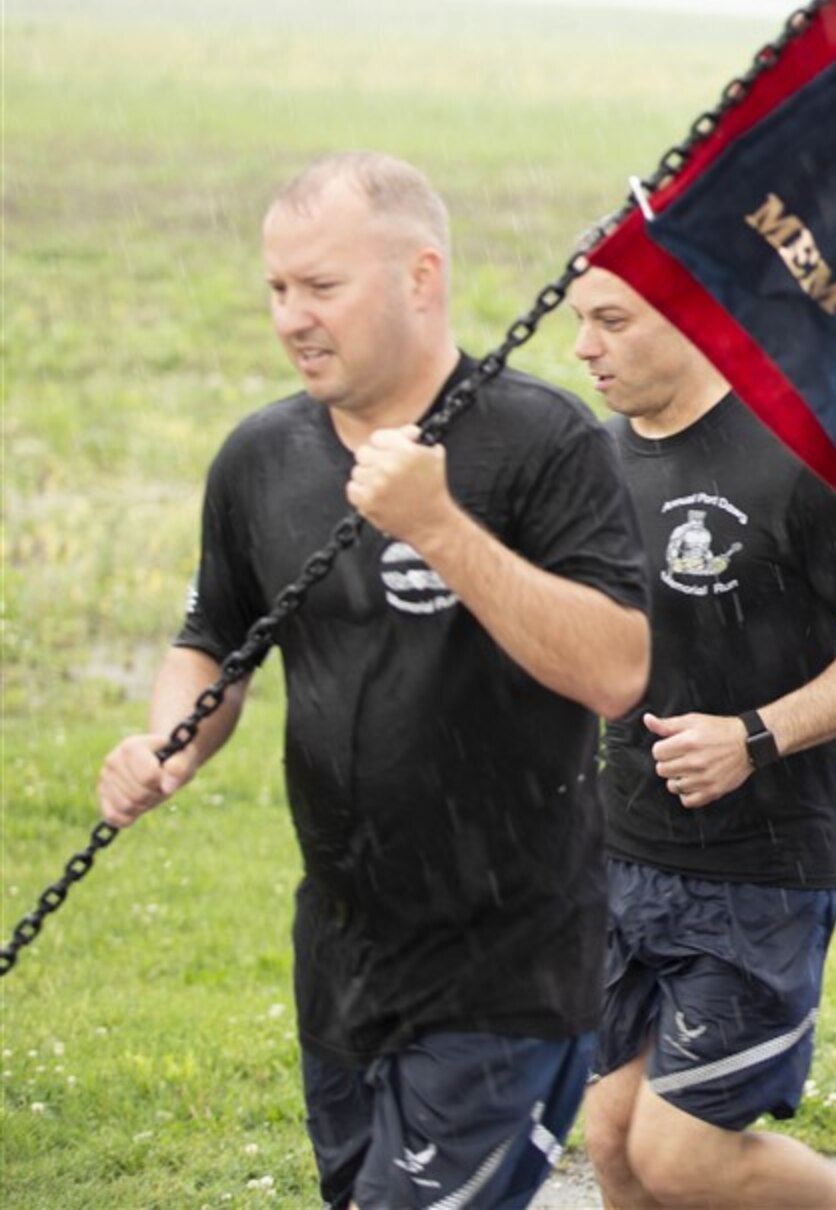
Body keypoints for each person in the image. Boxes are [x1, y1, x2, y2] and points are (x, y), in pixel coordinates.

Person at [98, 152, 651, 1210]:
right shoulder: (259, 455)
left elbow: (616, 667)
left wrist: (441, 527)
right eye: (276, 288)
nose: (292, 317)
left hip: (509, 961)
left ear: (420, 277)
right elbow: (213, 639)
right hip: (345, 949)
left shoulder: (544, 441)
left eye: (322, 285)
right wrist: (167, 743)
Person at [567, 263, 836, 1210]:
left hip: (761, 872)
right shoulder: (594, 464)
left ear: (700, 317)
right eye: (579, 322)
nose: (584, 348)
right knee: (612, 1144)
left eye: (612, 322)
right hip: (621, 858)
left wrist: (754, 736)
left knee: (683, 1158)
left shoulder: (796, 452)